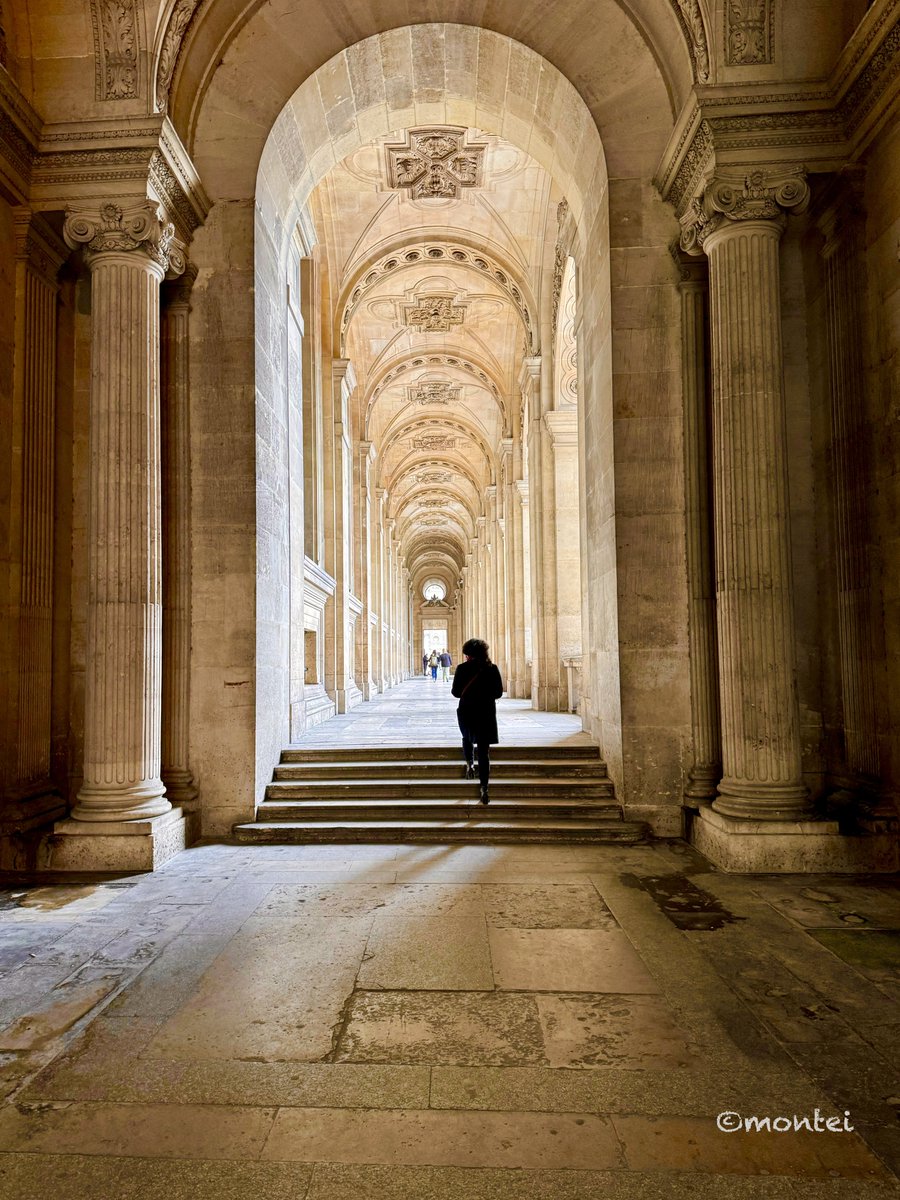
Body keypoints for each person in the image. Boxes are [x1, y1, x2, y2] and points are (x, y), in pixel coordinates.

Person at [451, 638, 503, 804]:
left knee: (467, 736)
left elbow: (456, 692)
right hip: (486, 711)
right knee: (483, 749)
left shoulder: (462, 668)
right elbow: (498, 693)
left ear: (468, 654)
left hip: (467, 709)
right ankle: (484, 787)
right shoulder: (491, 668)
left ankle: (469, 765)